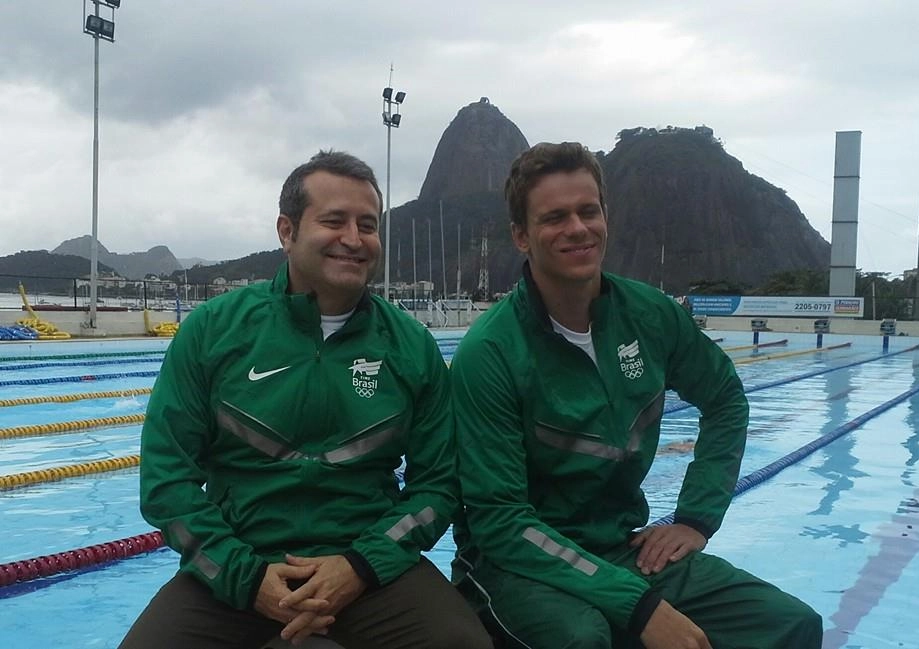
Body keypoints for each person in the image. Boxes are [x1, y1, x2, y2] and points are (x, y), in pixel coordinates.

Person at [450, 142, 822, 649]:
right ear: (521, 236)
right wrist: (638, 604)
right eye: (555, 217)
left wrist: (695, 517)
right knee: (584, 638)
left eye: (588, 211)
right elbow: (500, 523)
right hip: (515, 566)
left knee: (789, 624)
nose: (578, 228)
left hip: (622, 548)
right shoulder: (491, 351)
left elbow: (726, 399)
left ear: (605, 215)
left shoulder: (651, 315)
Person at [120, 150, 492, 649]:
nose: (354, 240)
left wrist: (361, 566)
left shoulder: (409, 346)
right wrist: (246, 579)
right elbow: (167, 481)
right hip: (237, 566)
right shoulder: (214, 330)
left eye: (367, 224)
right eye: (334, 221)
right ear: (286, 230)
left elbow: (438, 486)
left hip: (367, 569)